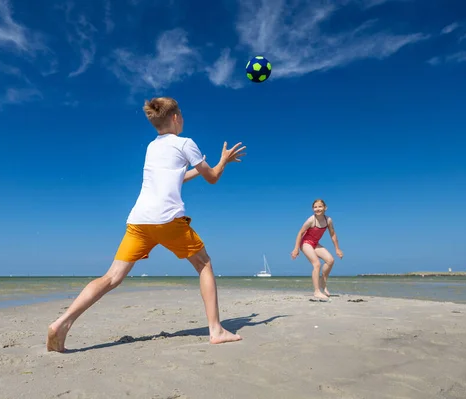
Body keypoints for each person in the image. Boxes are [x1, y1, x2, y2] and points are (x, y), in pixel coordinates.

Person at [47, 97, 246, 352]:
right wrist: (223, 161)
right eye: (181, 114)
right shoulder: (186, 143)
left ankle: (62, 323)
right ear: (175, 117)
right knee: (204, 264)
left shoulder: (152, 147)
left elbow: (174, 179)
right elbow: (213, 178)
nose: (183, 118)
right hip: (168, 219)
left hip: (139, 220)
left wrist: (196, 168)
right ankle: (216, 330)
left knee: (112, 277)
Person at [290, 199, 343, 301]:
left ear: (325, 208)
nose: (317, 209)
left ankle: (323, 281)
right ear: (312, 209)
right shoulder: (311, 220)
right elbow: (300, 233)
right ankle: (317, 291)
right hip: (305, 243)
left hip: (315, 243)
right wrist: (296, 249)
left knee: (330, 260)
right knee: (317, 264)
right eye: (315, 207)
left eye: (320, 207)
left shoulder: (328, 220)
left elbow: (332, 234)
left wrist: (337, 249)